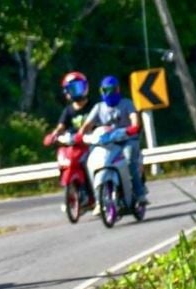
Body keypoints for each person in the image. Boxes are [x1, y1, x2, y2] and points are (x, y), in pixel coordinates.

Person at [77, 76, 148, 205]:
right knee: (90, 160)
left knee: (129, 160)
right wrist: (80, 135)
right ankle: (96, 198)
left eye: (111, 90)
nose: (108, 93)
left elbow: (134, 120)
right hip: (107, 142)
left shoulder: (126, 103)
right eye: (105, 90)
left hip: (127, 139)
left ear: (117, 89)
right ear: (101, 91)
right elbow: (87, 124)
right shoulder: (99, 107)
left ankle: (139, 193)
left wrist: (132, 128)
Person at [43, 71, 92, 145]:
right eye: (72, 89)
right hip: (73, 146)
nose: (76, 92)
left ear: (85, 87)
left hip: (91, 145)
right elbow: (60, 127)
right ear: (66, 92)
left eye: (78, 88)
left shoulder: (94, 107)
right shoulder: (68, 110)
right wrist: (53, 136)